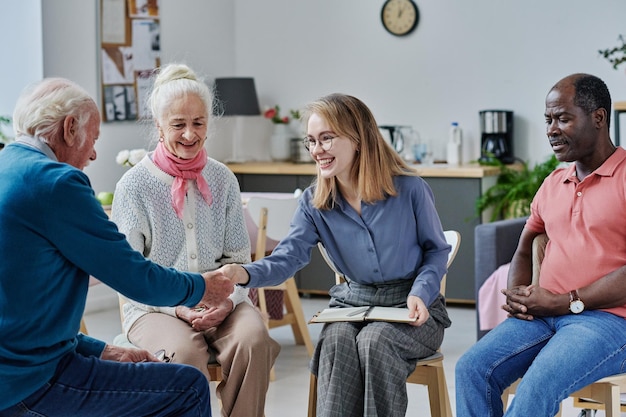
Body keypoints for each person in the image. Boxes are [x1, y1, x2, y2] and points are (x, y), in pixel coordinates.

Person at [0, 78, 235, 416]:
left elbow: (24, 315)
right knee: (188, 387)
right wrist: (203, 287)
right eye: (93, 139)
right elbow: (133, 275)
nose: (94, 153)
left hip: (14, 373)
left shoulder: (8, 167)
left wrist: (101, 350)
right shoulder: (56, 183)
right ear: (69, 129)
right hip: (33, 384)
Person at [221, 93, 452, 417]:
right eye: (311, 141)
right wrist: (242, 273)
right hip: (353, 306)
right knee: (336, 341)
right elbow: (288, 257)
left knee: (376, 342)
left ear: (358, 138)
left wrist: (421, 292)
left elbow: (437, 250)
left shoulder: (409, 188)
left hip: (414, 308)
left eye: (327, 139)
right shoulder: (315, 203)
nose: (317, 150)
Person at [111, 63, 280, 417]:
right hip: (154, 307)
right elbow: (127, 275)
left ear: (208, 123)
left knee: (255, 341)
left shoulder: (223, 179)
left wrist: (229, 301)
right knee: (184, 356)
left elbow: (238, 259)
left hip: (221, 301)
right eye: (178, 124)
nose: (190, 134)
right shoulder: (134, 186)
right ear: (159, 127)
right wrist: (178, 306)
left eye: (198, 123)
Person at [455, 73, 626, 417]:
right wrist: (518, 296)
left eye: (563, 118)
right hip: (544, 315)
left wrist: (565, 302)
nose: (551, 129)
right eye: (548, 119)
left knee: (536, 388)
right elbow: (525, 246)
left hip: (609, 322)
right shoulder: (553, 182)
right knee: (471, 370)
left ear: (599, 117)